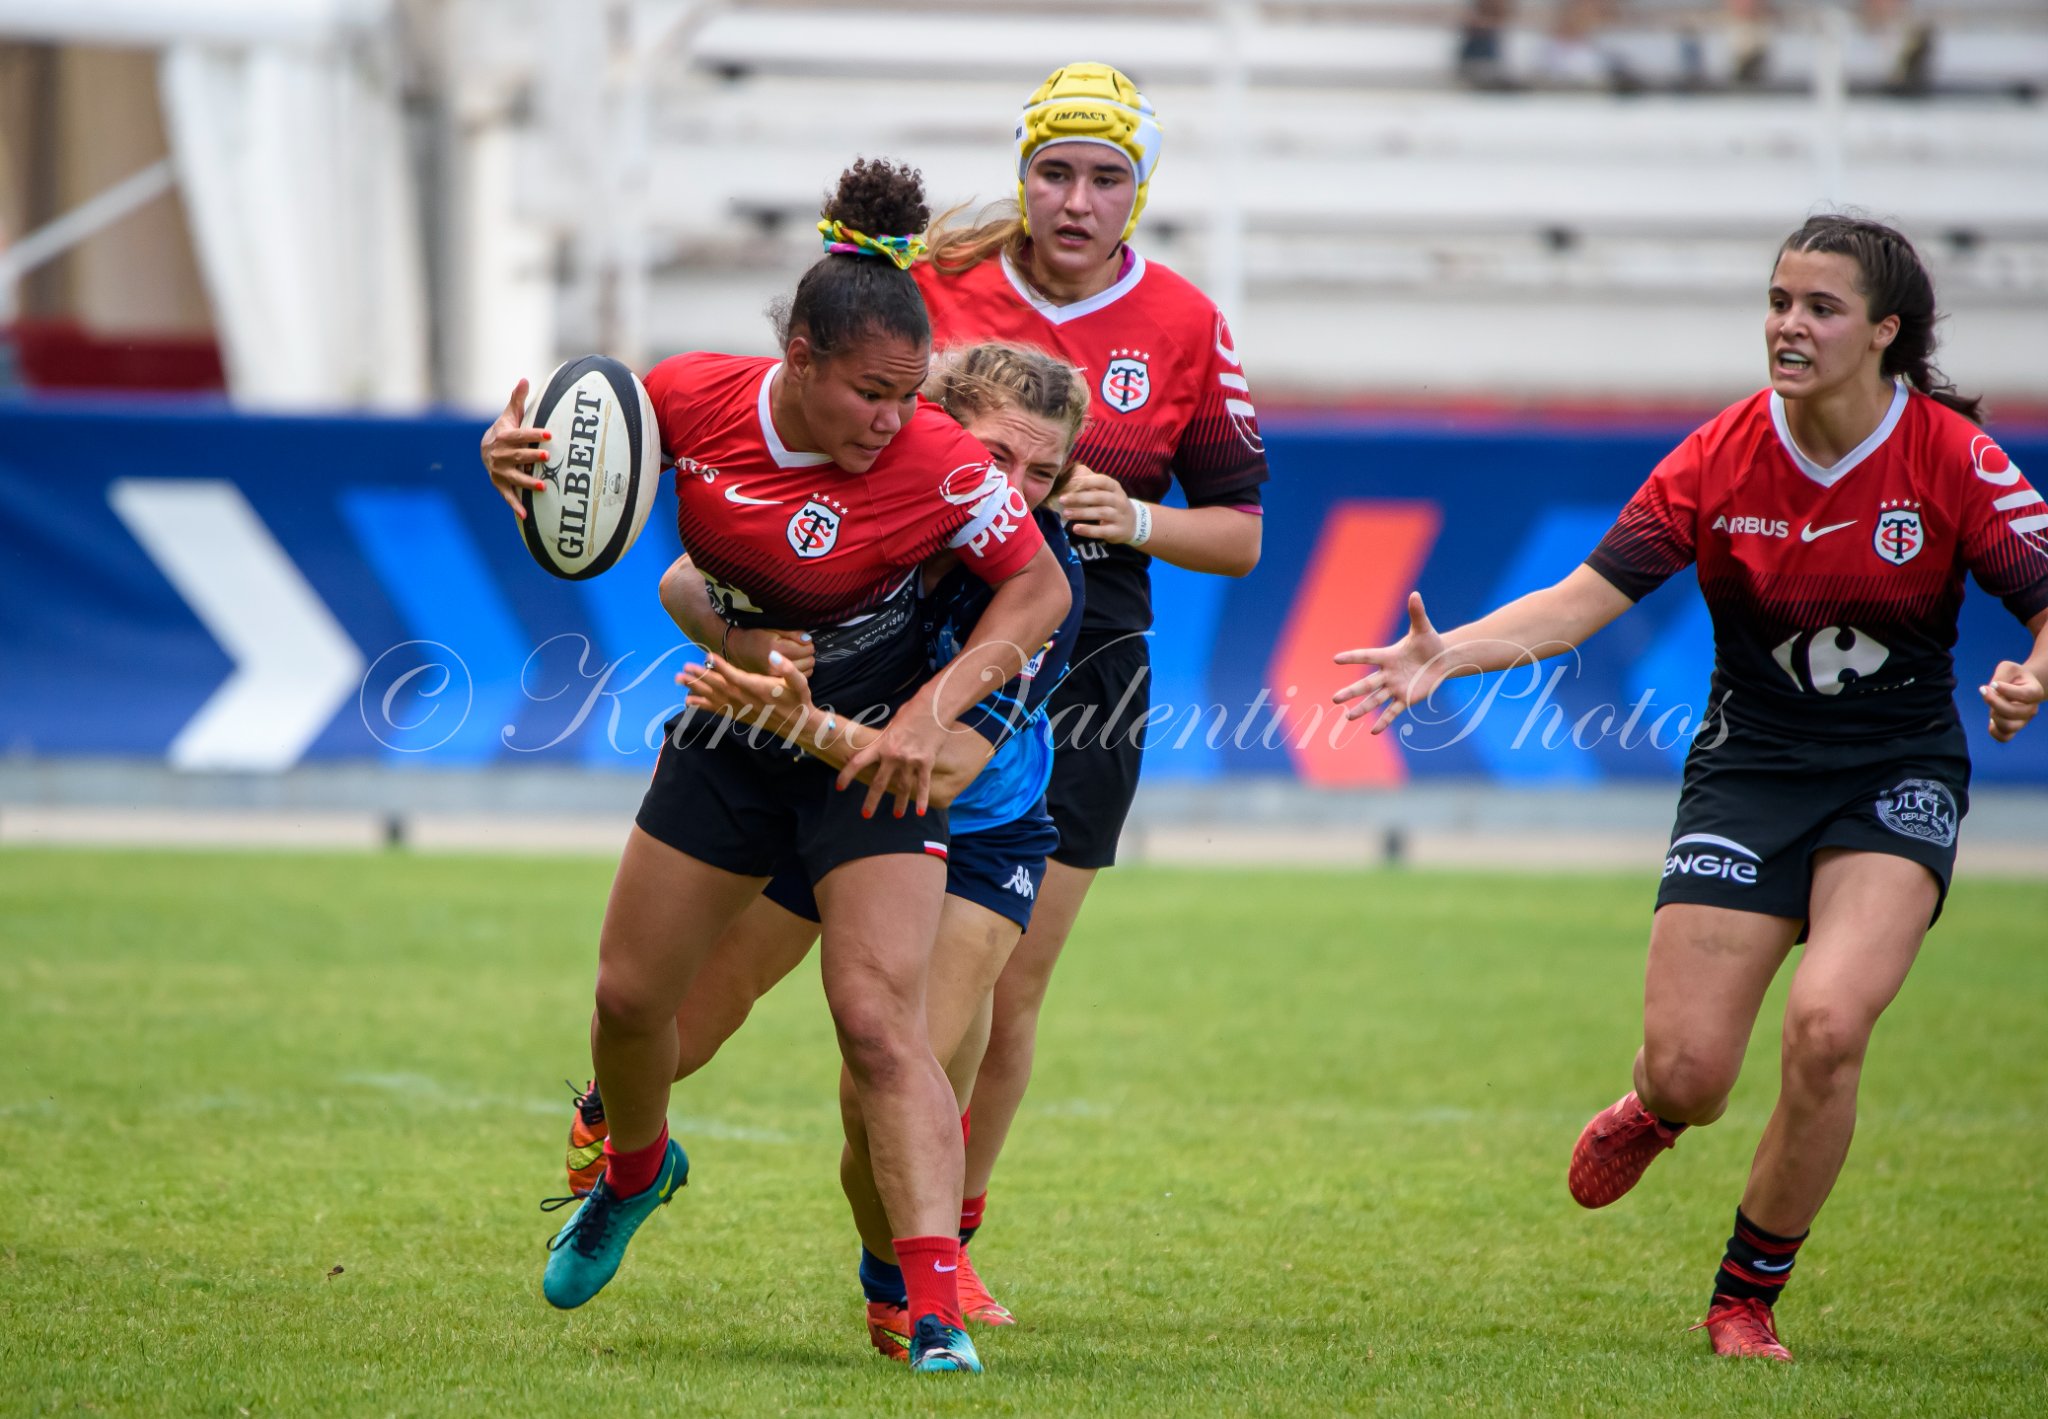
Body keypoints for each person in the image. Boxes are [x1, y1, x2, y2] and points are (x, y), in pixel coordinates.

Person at [1333, 214, 2048, 1361]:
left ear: (1883, 332)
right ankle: (1654, 1110)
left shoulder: (1951, 459)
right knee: (1691, 1071)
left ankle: (1743, 1296)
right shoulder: (1716, 454)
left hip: (1895, 772)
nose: (1787, 326)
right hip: (1747, 772)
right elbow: (1580, 600)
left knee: (1825, 1029)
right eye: (1776, 301)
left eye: (1818, 307)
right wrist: (1442, 653)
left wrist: (2028, 679)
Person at [481, 160, 1072, 1375]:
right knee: (633, 1006)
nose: (891, 422)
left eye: (910, 397)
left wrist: (924, 714)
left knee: (876, 1028)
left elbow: (1042, 587)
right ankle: (635, 1172)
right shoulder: (687, 401)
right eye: (868, 393)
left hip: (871, 769)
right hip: (738, 727)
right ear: (796, 358)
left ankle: (928, 1311)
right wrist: (516, 466)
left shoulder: (943, 470)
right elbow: (606, 509)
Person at [908, 62, 1272, 1322]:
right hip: (915, 642)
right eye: (1053, 171)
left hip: (1088, 667)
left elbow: (1240, 535)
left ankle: (941, 1241)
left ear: (1140, 191)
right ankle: (627, 1113)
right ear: (1022, 174)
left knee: (1008, 980)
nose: (1075, 199)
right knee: (860, 957)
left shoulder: (1182, 323)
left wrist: (1142, 518)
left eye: (1105, 176)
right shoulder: (932, 290)